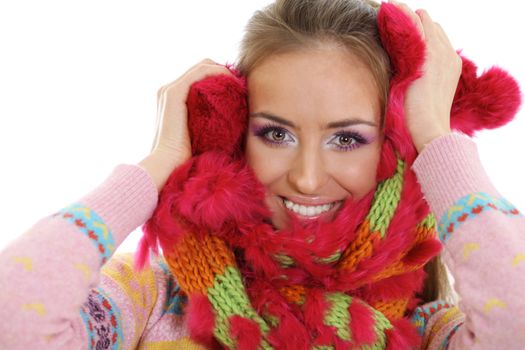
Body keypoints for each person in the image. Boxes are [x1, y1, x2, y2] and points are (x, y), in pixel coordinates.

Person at [0, 0, 523, 349]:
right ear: (228, 135)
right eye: (275, 134)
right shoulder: (153, 294)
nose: (308, 179)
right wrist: (161, 162)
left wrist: (433, 135)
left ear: (395, 150)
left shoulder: (428, 331)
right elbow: (15, 321)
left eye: (348, 138)